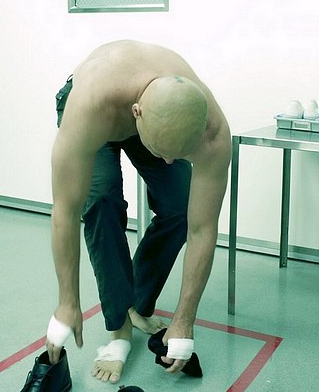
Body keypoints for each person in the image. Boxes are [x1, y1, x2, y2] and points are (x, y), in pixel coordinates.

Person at [45, 40, 231, 384]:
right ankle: (119, 328)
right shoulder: (89, 107)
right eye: (162, 152)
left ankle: (137, 304)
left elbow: (202, 228)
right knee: (101, 202)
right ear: (137, 114)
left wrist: (184, 321)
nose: (169, 162)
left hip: (152, 115)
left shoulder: (214, 132)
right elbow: (65, 212)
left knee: (179, 205)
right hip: (103, 107)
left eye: (178, 154)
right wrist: (67, 301)